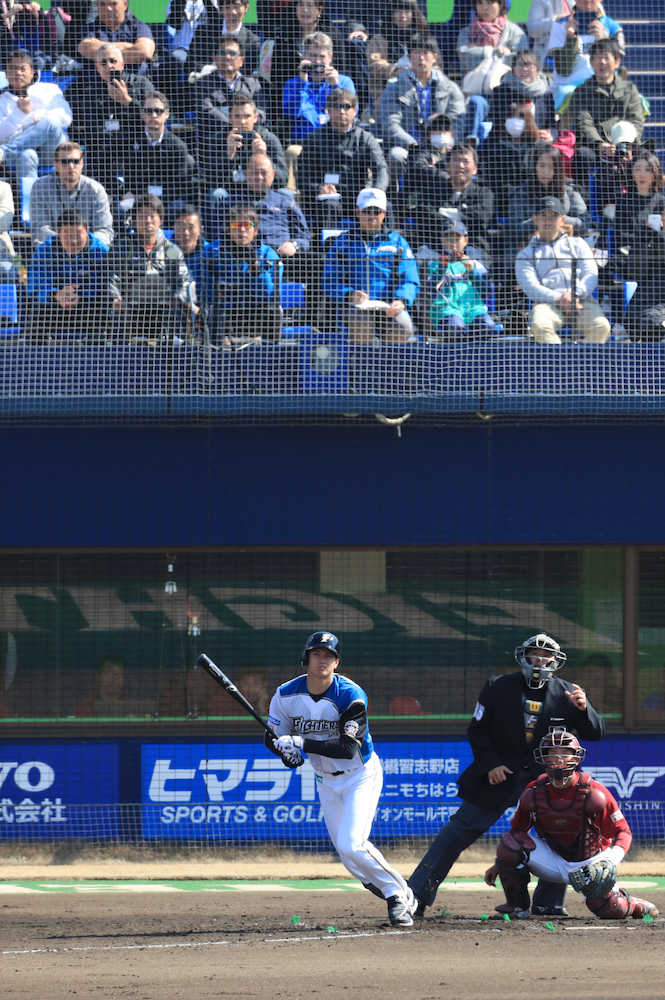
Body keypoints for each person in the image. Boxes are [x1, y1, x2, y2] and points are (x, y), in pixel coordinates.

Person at [407, 632, 606, 920]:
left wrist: (585, 708)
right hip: (498, 778)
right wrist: (491, 765)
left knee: (563, 833)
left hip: (544, 784)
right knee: (457, 832)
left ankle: (547, 903)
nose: (540, 659)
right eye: (534, 653)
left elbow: (596, 733)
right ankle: (416, 894)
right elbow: (477, 731)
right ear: (523, 657)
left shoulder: (567, 694)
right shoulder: (497, 686)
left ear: (555, 660)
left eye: (546, 655)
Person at [266, 630, 417, 927]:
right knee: (348, 857)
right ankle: (394, 892)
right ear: (306, 659)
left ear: (336, 663)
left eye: (329, 656)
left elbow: (348, 749)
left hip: (359, 774)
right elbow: (273, 736)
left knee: (352, 844)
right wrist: (285, 752)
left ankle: (400, 895)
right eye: (317, 654)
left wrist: (301, 745)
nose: (322, 660)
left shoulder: (350, 695)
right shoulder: (285, 694)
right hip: (325, 779)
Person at [484, 727, 658, 920]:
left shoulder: (595, 794)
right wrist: (501, 863)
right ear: (543, 757)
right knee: (510, 844)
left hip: (590, 863)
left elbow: (623, 832)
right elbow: (517, 832)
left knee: (609, 910)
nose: (559, 758)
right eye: (553, 753)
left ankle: (634, 904)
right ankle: (517, 906)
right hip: (552, 860)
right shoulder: (533, 792)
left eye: (565, 753)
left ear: (576, 757)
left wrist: (609, 861)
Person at [322, 187, 419, 344]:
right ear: (357, 212)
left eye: (376, 211)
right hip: (354, 307)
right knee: (362, 321)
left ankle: (388, 366)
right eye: (367, 211)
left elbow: (410, 279)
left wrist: (401, 300)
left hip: (389, 306)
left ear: (384, 214)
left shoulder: (399, 242)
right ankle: (361, 366)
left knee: (404, 327)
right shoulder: (342, 243)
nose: (372, 216)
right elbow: (329, 280)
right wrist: (349, 294)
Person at [515, 196, 610, 344]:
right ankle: (558, 365)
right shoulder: (525, 254)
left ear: (562, 219)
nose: (548, 221)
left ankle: (581, 364)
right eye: (543, 216)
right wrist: (560, 298)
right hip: (547, 304)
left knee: (601, 326)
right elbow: (531, 287)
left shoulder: (579, 244)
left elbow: (591, 274)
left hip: (581, 301)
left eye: (554, 216)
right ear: (535, 219)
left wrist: (574, 295)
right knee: (540, 326)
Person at [67, 44, 156, 194]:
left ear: (122, 64)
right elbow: (93, 131)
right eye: (104, 63)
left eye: (113, 61)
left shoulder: (141, 84)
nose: (109, 66)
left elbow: (154, 120)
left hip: (137, 146)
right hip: (105, 150)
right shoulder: (91, 92)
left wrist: (127, 102)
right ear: (97, 68)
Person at [107, 193, 193, 342]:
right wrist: (115, 298)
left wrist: (178, 297)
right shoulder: (122, 248)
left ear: (161, 220)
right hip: (129, 312)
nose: (147, 221)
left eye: (152, 216)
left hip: (164, 314)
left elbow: (184, 281)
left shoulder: (171, 250)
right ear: (133, 220)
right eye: (142, 216)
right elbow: (111, 278)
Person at [297, 88, 389, 227]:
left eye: (346, 106)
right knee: (329, 206)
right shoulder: (314, 138)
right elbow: (302, 177)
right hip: (326, 198)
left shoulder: (365, 138)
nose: (341, 111)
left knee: (384, 207)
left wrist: (376, 192)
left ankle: (385, 246)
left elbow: (381, 168)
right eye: (336, 106)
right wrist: (319, 188)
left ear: (355, 109)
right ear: (328, 110)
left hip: (357, 195)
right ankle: (328, 247)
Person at [378, 34, 466, 177]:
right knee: (396, 155)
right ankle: (397, 196)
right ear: (409, 56)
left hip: (442, 147)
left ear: (435, 57)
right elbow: (390, 124)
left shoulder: (450, 87)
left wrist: (447, 142)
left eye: (425, 53)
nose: (421, 58)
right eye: (416, 52)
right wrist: (413, 144)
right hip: (409, 146)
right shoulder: (393, 86)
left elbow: (459, 121)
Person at [568, 37, 644, 193]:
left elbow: (636, 120)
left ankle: (642, 201)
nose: (602, 62)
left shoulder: (630, 90)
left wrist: (625, 143)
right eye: (597, 58)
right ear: (591, 62)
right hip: (595, 148)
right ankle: (586, 208)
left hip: (626, 145)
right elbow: (584, 122)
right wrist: (599, 144)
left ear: (616, 62)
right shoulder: (581, 91)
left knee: (645, 156)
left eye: (606, 57)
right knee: (582, 156)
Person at [26, 208, 110, 341]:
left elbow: (106, 286)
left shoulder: (101, 251)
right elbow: (34, 286)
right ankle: (36, 357)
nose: (73, 241)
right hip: (53, 307)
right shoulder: (44, 250)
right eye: (68, 235)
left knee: (102, 309)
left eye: (78, 235)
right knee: (34, 311)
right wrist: (55, 294)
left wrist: (81, 296)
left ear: (87, 230)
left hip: (87, 308)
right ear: (58, 232)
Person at [401, 140, 495, 254]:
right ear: (448, 165)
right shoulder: (434, 190)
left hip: (473, 248)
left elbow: (481, 216)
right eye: (455, 160)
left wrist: (444, 213)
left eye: (465, 161)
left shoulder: (483, 192)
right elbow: (425, 214)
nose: (460, 165)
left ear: (475, 169)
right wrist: (462, 214)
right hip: (436, 248)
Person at [117, 91, 196, 225]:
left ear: (167, 114)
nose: (153, 115)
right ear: (142, 114)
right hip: (137, 201)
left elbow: (179, 188)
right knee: (121, 207)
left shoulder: (178, 146)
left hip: (167, 202)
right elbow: (129, 179)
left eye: (158, 111)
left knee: (178, 208)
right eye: (148, 111)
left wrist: (150, 197)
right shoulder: (130, 141)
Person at [213, 203, 282, 342]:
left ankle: (270, 354)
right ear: (228, 229)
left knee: (272, 310)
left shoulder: (268, 254)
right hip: (227, 311)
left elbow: (271, 294)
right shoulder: (213, 252)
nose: (242, 230)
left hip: (257, 313)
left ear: (255, 230)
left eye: (247, 225)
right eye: (236, 225)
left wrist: (255, 269)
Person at [0, 50, 72, 182]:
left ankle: (4, 151)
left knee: (49, 122)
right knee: (27, 156)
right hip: (20, 153)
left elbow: (66, 117)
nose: (18, 73)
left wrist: (40, 118)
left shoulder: (49, 89)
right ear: (5, 72)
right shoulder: (1, 99)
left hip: (52, 149)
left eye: (23, 69)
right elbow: (1, 134)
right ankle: (32, 202)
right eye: (13, 68)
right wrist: (21, 113)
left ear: (32, 71)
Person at [200, 95, 288, 200]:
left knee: (286, 194)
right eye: (237, 116)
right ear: (229, 118)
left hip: (262, 191)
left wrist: (263, 156)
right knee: (217, 194)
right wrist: (228, 155)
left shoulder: (268, 139)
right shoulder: (218, 139)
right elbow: (211, 179)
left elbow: (283, 179)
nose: (242, 121)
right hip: (231, 192)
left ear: (255, 117)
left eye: (247, 116)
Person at [29, 141, 114, 248]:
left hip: (89, 251)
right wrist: (66, 243)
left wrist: (83, 244)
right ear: (56, 164)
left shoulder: (96, 190)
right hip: (54, 250)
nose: (71, 166)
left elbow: (104, 229)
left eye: (75, 161)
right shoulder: (40, 187)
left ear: (82, 163)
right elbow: (40, 228)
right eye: (65, 161)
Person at [425, 220, 500, 340]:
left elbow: (487, 292)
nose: (452, 244)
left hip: (474, 309)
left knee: (488, 327)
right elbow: (431, 290)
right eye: (448, 239)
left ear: (465, 240)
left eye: (456, 239)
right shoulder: (434, 264)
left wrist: (472, 272)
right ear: (442, 241)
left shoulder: (475, 264)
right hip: (447, 309)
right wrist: (441, 268)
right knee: (455, 328)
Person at [282, 31, 356, 144]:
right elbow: (290, 113)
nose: (317, 61)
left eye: (322, 56)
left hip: (337, 141)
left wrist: (336, 86)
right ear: (304, 56)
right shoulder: (293, 83)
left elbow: (352, 112)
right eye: (312, 56)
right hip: (302, 142)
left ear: (330, 57)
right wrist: (302, 83)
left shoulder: (344, 81)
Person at [366, 0, 429, 107]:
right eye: (398, 11)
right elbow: (373, 65)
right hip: (387, 93)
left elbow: (436, 66)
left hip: (421, 92)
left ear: (414, 14)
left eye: (407, 11)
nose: (403, 16)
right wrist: (396, 69)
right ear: (391, 14)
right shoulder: (379, 39)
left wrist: (417, 70)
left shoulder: (425, 39)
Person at [192, 36, 263, 125]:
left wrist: (244, 122)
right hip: (216, 136)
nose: (227, 57)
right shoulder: (203, 84)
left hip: (249, 134)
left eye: (232, 53)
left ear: (241, 60)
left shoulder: (253, 84)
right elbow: (206, 111)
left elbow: (262, 112)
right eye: (222, 53)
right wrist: (234, 123)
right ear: (215, 58)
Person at [77, 0, 155, 77]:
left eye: (114, 4)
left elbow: (145, 52)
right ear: (97, 5)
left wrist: (102, 50)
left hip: (135, 84)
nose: (108, 8)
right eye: (102, 4)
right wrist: (130, 48)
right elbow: (86, 49)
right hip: (98, 85)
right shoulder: (89, 29)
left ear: (125, 4)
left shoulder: (139, 27)